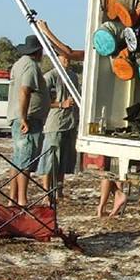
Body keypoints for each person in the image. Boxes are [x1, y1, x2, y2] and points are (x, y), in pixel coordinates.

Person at [6, 34, 51, 207]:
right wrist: (24, 118)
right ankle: (22, 200)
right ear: (38, 51)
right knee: (25, 160)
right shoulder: (30, 66)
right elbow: (24, 91)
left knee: (18, 159)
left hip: (21, 117)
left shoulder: (18, 64)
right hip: (28, 119)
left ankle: (13, 199)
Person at [39, 53, 80, 198]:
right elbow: (41, 99)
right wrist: (61, 104)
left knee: (64, 159)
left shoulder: (73, 76)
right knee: (50, 158)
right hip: (55, 123)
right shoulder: (50, 76)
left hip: (70, 122)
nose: (67, 60)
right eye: (64, 57)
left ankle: (59, 190)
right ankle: (45, 191)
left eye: (68, 57)